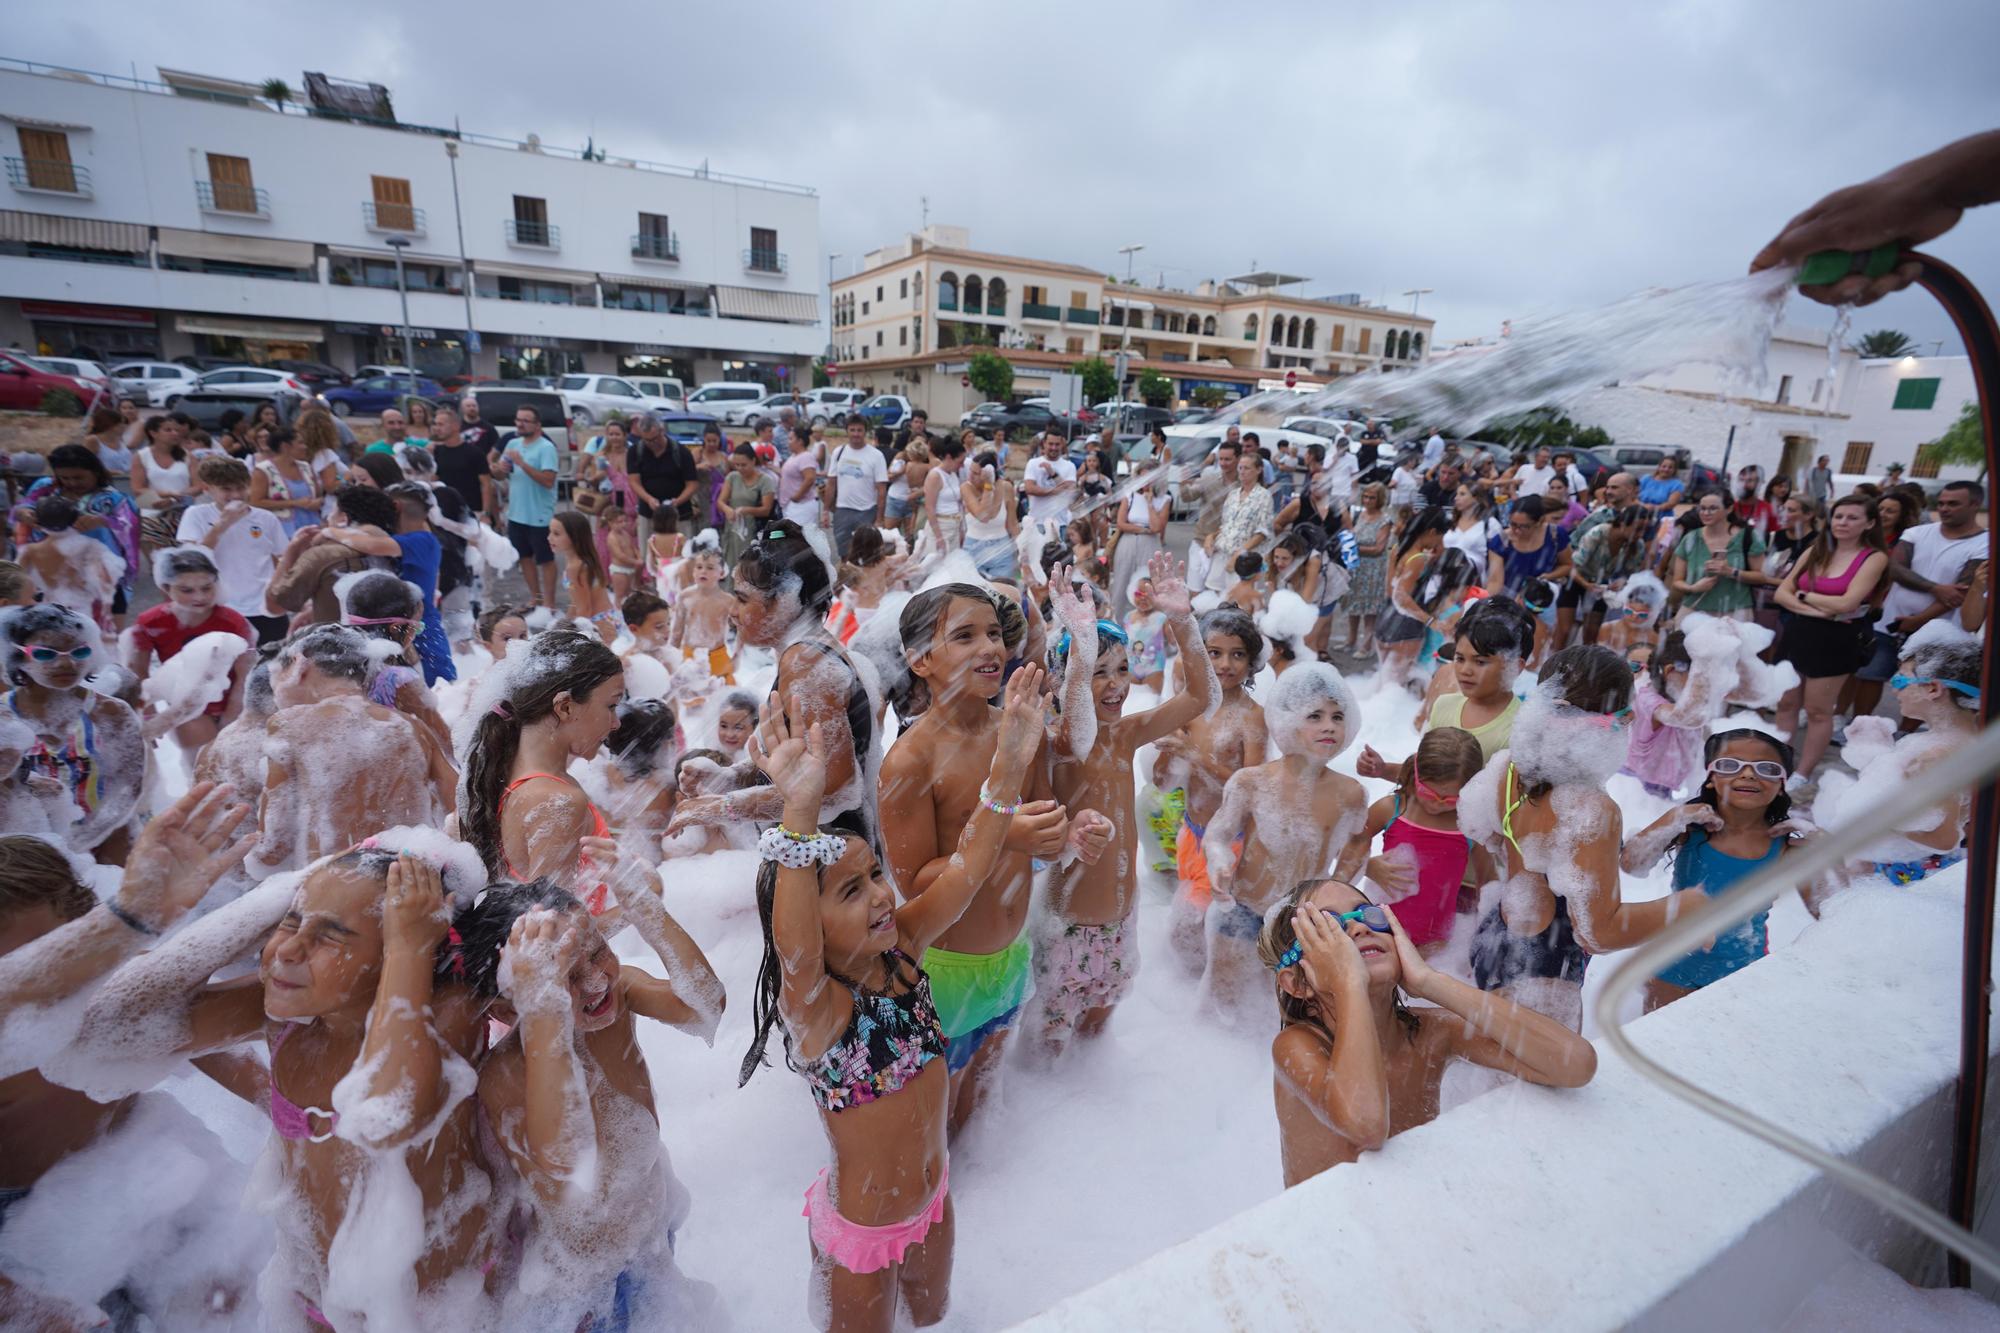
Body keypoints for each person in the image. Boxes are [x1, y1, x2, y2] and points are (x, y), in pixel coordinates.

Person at [74, 842, 503, 1329]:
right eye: (290, 923)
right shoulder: (292, 1019)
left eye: (330, 936)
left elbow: (385, 1114)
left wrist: (409, 949)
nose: (291, 950)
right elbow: (101, 1030)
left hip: (443, 1309)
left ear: (405, 948)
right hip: (314, 1299)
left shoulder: (450, 1016)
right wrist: (255, 911)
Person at [736, 679, 1045, 1333]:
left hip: (933, 1202)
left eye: (875, 873)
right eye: (852, 890)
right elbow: (792, 948)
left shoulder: (903, 947)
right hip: (862, 1238)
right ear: (812, 925)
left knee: (932, 1314)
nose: (880, 894)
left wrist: (1009, 765)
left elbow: (968, 866)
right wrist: (799, 812)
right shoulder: (818, 1009)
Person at [0, 783, 258, 1329]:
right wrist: (35, 1311)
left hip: (145, 1165)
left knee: (233, 1293)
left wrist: (291, 1112)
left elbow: (207, 1044)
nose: (39, 980)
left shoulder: (113, 987)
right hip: (28, 1232)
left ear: (81, 928)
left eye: (52, 954)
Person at [877, 580, 1104, 1133]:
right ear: (921, 660)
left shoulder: (1016, 728)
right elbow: (915, 885)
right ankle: (943, 1191)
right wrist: (1012, 837)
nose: (990, 648)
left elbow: (1039, 821)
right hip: (947, 968)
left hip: (1011, 954)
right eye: (965, 636)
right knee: (939, 1103)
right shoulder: (910, 760)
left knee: (985, 1084)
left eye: (995, 634)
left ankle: (983, 1173)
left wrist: (1067, 836)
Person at [457, 862, 722, 1331]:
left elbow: (705, 1007)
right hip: (574, 1292)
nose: (597, 981)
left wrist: (648, 912)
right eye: (565, 978)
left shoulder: (620, 996)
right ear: (508, 1005)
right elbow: (567, 1158)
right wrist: (545, 1013)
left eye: (598, 950)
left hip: (650, 1243)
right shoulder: (505, 1075)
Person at [1259, 877, 1596, 1186]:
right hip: (1330, 1238)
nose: (1359, 927)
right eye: (1329, 928)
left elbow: (1575, 1064)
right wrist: (1350, 983)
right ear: (1296, 983)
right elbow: (1367, 1126)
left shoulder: (1430, 1033)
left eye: (1367, 913)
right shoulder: (1296, 1046)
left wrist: (1430, 982)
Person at [1459, 645, 1710, 1029]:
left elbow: (1492, 836)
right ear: (1621, 721)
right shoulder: (1592, 810)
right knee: (1538, 1084)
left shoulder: (1508, 770)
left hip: (1496, 937)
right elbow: (1599, 932)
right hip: (1543, 970)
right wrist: (1688, 909)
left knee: (1492, 1069)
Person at [1040, 554, 1213, 1056]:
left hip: (1121, 920)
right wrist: (1080, 649)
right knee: (1051, 1043)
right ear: (1068, 680)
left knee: (1096, 1034)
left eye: (1122, 668)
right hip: (1067, 925)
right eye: (1098, 672)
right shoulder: (1061, 742)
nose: (1116, 683)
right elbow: (1076, 731)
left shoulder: (1125, 734)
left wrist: (1182, 622)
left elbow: (1201, 697)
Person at [671, 521, 885, 840]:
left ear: (786, 601)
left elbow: (835, 791)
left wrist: (720, 807)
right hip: (823, 846)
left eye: (743, 599)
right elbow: (799, 765)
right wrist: (729, 777)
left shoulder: (806, 665)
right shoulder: (805, 652)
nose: (732, 610)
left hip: (832, 856)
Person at [1199, 663, 1367, 1014]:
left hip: (1301, 918)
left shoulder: (1349, 794)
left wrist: (1339, 888)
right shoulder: (1252, 782)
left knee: (1286, 1004)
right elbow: (1217, 834)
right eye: (1315, 716)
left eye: (1338, 717)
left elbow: (1356, 844)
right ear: (1287, 721)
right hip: (1243, 908)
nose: (1329, 726)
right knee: (1223, 1000)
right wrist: (1219, 862)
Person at [1620, 729, 1822, 1011]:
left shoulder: (1786, 847)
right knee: (1658, 1037)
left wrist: (1826, 852)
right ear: (1711, 779)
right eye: (1730, 765)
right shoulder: (1691, 828)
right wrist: (1673, 818)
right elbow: (1632, 864)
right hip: (1673, 959)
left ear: (1782, 784)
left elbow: (1828, 912)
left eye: (1766, 768)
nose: (1749, 775)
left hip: (1740, 965)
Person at [249, 622, 453, 874]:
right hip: (412, 882)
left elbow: (273, 849)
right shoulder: (409, 726)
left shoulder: (290, 727)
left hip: (335, 891)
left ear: (301, 666)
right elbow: (461, 809)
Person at [459, 629, 625, 908]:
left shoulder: (499, 771)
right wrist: (641, 905)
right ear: (565, 707)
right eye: (611, 705)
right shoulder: (555, 800)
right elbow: (553, 939)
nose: (616, 723)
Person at [1, 603, 143, 859]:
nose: (66, 663)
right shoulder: (3, 718)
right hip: (24, 841)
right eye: (46, 654)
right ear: (17, 657)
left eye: (80, 652)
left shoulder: (110, 713)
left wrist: (79, 841)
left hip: (104, 832)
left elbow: (126, 788)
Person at [1338, 728, 1495, 953]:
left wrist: (1485, 934)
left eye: (1450, 798)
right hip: (1379, 931)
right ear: (1416, 774)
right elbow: (1344, 843)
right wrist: (1368, 866)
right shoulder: (1393, 808)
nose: (1437, 803)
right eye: (1429, 793)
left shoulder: (1470, 824)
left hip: (1436, 943)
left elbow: (1488, 880)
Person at [1772, 494, 1889, 781]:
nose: (1843, 522)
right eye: (1838, 516)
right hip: (1799, 631)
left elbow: (1848, 604)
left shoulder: (1874, 558)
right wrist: (1812, 607)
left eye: (1852, 517)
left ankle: (1802, 773)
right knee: (1786, 703)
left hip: (1836, 639)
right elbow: (1780, 593)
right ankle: (1780, 763)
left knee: (1818, 710)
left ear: (1869, 523)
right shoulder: (1816, 550)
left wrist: (1803, 596)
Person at [1855, 480, 1986, 723]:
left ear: (1975, 505)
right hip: (1889, 622)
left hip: (1940, 633)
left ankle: (1906, 734)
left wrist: (1919, 620)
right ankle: (1859, 727)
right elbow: (1895, 568)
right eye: (1942, 503)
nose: (1945, 508)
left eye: (1953, 504)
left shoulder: (1984, 543)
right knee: (1869, 676)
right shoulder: (1917, 532)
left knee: (1923, 686)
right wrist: (1936, 588)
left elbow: (1961, 593)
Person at [125, 546, 254, 758]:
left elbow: (245, 676)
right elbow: (138, 672)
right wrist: (148, 718)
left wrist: (232, 717)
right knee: (203, 764)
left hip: (233, 698)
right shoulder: (151, 622)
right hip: (186, 703)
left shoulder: (233, 622)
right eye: (187, 590)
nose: (199, 597)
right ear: (166, 589)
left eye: (207, 588)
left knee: (231, 763)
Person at [12, 444, 139, 625]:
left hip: (97, 570)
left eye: (79, 477)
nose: (71, 482)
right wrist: (24, 512)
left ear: (95, 471)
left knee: (105, 628)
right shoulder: (45, 488)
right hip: (49, 569)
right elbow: (21, 507)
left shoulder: (113, 499)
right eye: (65, 477)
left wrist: (103, 521)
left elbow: (130, 524)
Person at [172, 456, 291, 644]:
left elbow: (282, 558)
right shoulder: (196, 515)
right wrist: (223, 524)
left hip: (263, 607)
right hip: (217, 607)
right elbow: (191, 560)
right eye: (226, 489)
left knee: (270, 666)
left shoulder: (266, 518)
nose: (236, 495)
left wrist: (279, 593)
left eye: (241, 487)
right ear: (208, 489)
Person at [265, 483, 398, 628]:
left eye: (331, 512)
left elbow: (275, 606)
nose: (327, 518)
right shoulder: (397, 552)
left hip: (335, 647)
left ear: (342, 519)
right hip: (389, 645)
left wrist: (291, 552)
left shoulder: (322, 555)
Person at [15, 495, 124, 632]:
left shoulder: (30, 551)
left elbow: (16, 582)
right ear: (74, 519)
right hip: (81, 608)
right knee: (81, 646)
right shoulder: (88, 546)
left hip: (48, 607)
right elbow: (107, 583)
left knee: (51, 648)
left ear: (38, 522)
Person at [1669, 489, 1766, 621]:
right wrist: (1693, 588)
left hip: (1735, 613)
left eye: (1713, 508)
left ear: (1729, 509)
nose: (1705, 513)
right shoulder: (1691, 538)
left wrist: (1731, 572)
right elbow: (1677, 581)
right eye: (1702, 508)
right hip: (1694, 610)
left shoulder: (1748, 536)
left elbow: (1761, 577)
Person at [1563, 504, 1648, 647]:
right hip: (1576, 579)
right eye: (1638, 529)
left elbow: (1632, 575)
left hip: (1600, 584)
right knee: (1565, 631)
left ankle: (1587, 664)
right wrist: (1586, 585)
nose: (1641, 534)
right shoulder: (1598, 533)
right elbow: (1571, 567)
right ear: (1622, 523)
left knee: (1592, 633)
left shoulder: (1637, 545)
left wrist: (1622, 582)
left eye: (1644, 530)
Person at [550, 509, 620, 645]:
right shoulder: (580, 560)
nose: (549, 538)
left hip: (598, 625)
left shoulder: (576, 567)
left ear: (574, 537)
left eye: (556, 534)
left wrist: (575, 638)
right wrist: (565, 623)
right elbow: (576, 600)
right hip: (607, 619)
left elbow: (584, 609)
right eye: (550, 532)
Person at [670, 542, 736, 685]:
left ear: (722, 573)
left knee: (723, 698)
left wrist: (737, 656)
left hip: (717, 656)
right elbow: (676, 632)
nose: (703, 571)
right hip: (690, 655)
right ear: (693, 571)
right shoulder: (685, 597)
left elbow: (743, 630)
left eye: (710, 568)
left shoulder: (728, 601)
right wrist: (671, 658)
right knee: (691, 696)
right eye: (699, 567)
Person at [130, 412, 195, 553]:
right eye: (168, 430)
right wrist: (165, 495)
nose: (174, 434)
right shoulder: (142, 456)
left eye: (176, 430)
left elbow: (198, 486)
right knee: (150, 533)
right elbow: (137, 488)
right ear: (153, 433)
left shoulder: (187, 456)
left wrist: (175, 498)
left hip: (182, 506)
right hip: (153, 506)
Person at [826, 417, 890, 558]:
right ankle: (846, 579)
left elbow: (881, 490)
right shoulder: (838, 452)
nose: (856, 434)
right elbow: (831, 483)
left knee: (866, 555)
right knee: (843, 554)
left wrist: (879, 519)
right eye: (852, 430)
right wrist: (825, 510)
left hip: (867, 512)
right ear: (847, 431)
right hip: (842, 511)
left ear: (865, 432)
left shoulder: (876, 456)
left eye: (859, 430)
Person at [1487, 495, 1571, 600]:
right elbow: (1495, 581)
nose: (1517, 530)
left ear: (1540, 521)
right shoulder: (1501, 541)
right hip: (1510, 597)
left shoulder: (1555, 535)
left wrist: (1547, 577)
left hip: (1543, 596)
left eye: (1524, 526)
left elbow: (1567, 565)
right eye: (1513, 524)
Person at [248, 427, 323, 537]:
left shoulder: (306, 467)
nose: (305, 447)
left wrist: (318, 502)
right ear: (285, 446)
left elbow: (318, 496)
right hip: (281, 531)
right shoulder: (263, 470)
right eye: (301, 443)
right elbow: (255, 502)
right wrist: (295, 503)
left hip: (312, 527)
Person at [959, 451, 1020, 580]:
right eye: (970, 471)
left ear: (989, 472)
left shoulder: (1006, 487)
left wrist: (1021, 550)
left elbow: (1013, 523)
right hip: (973, 547)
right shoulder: (966, 487)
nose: (970, 476)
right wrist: (988, 486)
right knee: (972, 593)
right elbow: (982, 516)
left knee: (1001, 593)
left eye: (976, 473)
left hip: (1001, 547)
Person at [428, 405, 492, 521]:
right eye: (436, 424)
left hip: (471, 512)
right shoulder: (436, 451)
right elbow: (434, 480)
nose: (437, 428)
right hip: (444, 511)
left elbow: (486, 484)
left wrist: (486, 514)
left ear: (456, 426)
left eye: (441, 424)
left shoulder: (474, 452)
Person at [720, 442, 778, 568]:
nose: (740, 468)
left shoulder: (766, 480)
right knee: (732, 564)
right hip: (734, 529)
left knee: (750, 567)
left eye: (743, 465)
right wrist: (727, 509)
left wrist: (747, 510)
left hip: (754, 531)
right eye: (737, 465)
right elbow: (720, 501)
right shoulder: (732, 477)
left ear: (753, 461)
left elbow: (766, 510)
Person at [1022, 432, 1079, 532]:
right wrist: (1054, 491)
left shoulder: (1069, 466)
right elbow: (1029, 488)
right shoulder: (1033, 463)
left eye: (1057, 444)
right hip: (1037, 522)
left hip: (1060, 523)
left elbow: (1070, 493)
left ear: (1062, 444)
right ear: (1044, 443)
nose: (1054, 447)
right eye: (1051, 444)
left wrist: (1053, 474)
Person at [922, 435, 967, 555]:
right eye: (960, 462)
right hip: (941, 525)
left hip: (955, 525)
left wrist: (962, 529)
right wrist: (938, 536)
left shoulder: (953, 475)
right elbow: (929, 507)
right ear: (949, 458)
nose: (962, 466)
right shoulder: (935, 476)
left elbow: (959, 503)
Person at [780, 422, 823, 528]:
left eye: (790, 439)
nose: (788, 442)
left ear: (800, 441)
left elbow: (810, 478)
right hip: (791, 505)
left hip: (801, 506)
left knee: (799, 539)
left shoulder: (806, 457)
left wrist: (797, 496)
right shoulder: (794, 456)